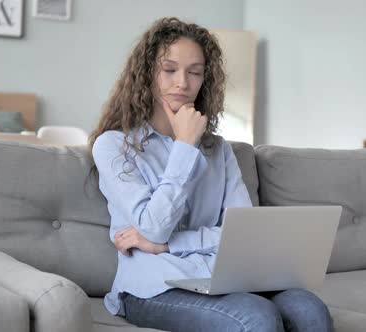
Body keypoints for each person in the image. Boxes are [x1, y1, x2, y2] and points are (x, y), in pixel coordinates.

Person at [89, 17, 333, 332]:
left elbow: (242, 236)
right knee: (256, 317)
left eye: (195, 72)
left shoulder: (219, 150)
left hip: (220, 277)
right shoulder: (113, 146)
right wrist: (184, 146)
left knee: (309, 309)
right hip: (150, 287)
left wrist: (169, 245)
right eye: (169, 70)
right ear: (147, 73)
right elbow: (153, 229)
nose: (182, 83)